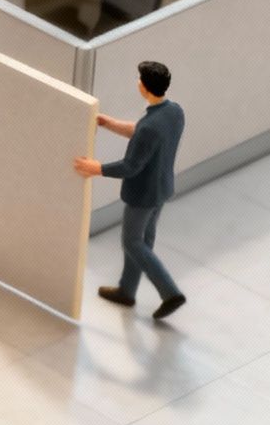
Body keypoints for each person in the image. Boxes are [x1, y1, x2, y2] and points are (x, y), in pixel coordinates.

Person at [73, 60, 187, 320]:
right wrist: (110, 123)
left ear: (144, 87)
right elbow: (142, 133)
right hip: (161, 188)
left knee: (132, 242)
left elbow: (130, 166)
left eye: (139, 79)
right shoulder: (174, 112)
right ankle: (127, 290)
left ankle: (170, 293)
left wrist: (96, 168)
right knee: (144, 241)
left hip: (143, 195)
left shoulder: (149, 127)